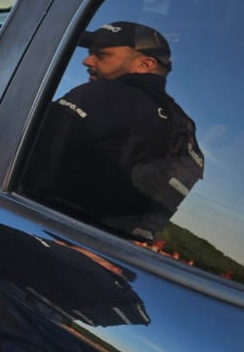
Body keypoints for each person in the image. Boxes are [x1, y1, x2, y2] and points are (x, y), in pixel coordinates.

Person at [20, 22, 204, 242]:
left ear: (144, 65)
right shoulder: (184, 131)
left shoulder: (107, 95)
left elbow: (12, 135)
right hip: (108, 249)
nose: (87, 61)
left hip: (42, 231)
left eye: (102, 54)